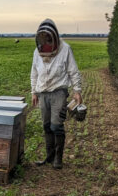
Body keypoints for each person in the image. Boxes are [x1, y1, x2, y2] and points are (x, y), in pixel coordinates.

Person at [30, 19, 82, 169]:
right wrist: (34, 92)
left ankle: (58, 159)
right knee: (46, 126)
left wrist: (77, 91)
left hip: (59, 92)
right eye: (43, 39)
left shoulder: (65, 49)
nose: (46, 42)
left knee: (56, 126)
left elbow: (73, 71)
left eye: (48, 39)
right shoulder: (37, 51)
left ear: (54, 37)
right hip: (43, 93)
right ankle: (49, 156)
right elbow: (34, 72)